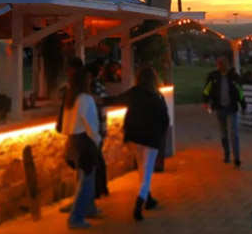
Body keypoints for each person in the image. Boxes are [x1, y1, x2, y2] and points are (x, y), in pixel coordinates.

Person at [111, 66, 170, 221]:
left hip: (134, 137)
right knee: (147, 171)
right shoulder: (157, 96)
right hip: (151, 138)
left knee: (142, 167)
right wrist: (160, 134)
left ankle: (148, 197)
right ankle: (139, 203)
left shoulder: (135, 92)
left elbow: (118, 99)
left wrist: (100, 99)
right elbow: (165, 119)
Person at [60, 67, 101, 229]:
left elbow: (65, 123)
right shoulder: (86, 99)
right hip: (85, 142)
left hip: (72, 141)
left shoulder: (70, 98)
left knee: (83, 178)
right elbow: (91, 123)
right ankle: (76, 218)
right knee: (86, 181)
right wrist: (97, 140)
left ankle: (89, 208)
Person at [203, 55, 246, 167]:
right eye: (219, 63)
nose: (220, 65)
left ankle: (237, 158)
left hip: (231, 107)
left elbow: (239, 91)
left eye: (223, 63)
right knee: (223, 133)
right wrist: (206, 101)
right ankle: (227, 153)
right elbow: (207, 90)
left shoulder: (233, 77)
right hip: (219, 107)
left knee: (234, 132)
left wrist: (243, 105)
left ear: (227, 64)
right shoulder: (213, 77)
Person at [89, 60, 109, 199]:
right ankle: (102, 187)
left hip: (96, 127)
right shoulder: (100, 86)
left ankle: (97, 189)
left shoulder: (92, 88)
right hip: (102, 127)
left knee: (94, 158)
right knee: (98, 157)